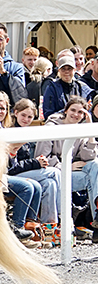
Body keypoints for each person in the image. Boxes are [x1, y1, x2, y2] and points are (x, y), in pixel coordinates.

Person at [35, 96, 98, 229]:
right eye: (73, 110)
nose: (76, 115)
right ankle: (64, 225)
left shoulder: (81, 129)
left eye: (80, 112)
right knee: (90, 175)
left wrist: (90, 130)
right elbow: (42, 157)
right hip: (53, 173)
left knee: (95, 168)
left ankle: (96, 216)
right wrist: (67, 167)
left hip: (70, 175)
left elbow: (88, 157)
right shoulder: (51, 127)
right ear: (65, 111)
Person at [9, 98, 60, 228]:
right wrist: (35, 163)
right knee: (54, 172)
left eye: (30, 117)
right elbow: (12, 167)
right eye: (23, 115)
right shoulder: (9, 131)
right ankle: (63, 217)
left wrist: (38, 162)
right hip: (13, 175)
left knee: (50, 184)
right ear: (15, 113)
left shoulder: (27, 132)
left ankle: (48, 225)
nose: (26, 119)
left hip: (25, 173)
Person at [42, 53, 92, 119]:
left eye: (69, 68)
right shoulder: (52, 87)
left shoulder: (82, 87)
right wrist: (68, 112)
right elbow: (48, 113)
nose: (66, 72)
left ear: (75, 70)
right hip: (58, 125)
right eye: (63, 69)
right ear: (59, 70)